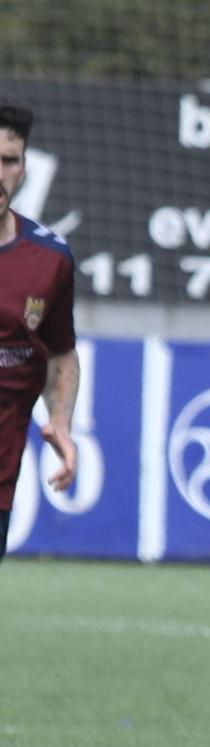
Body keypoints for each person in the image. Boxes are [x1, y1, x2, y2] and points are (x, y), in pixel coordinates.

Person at [0, 95, 78, 558]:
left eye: (9, 161)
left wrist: (61, 422)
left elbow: (61, 353)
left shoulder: (50, 260)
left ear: (24, 169)